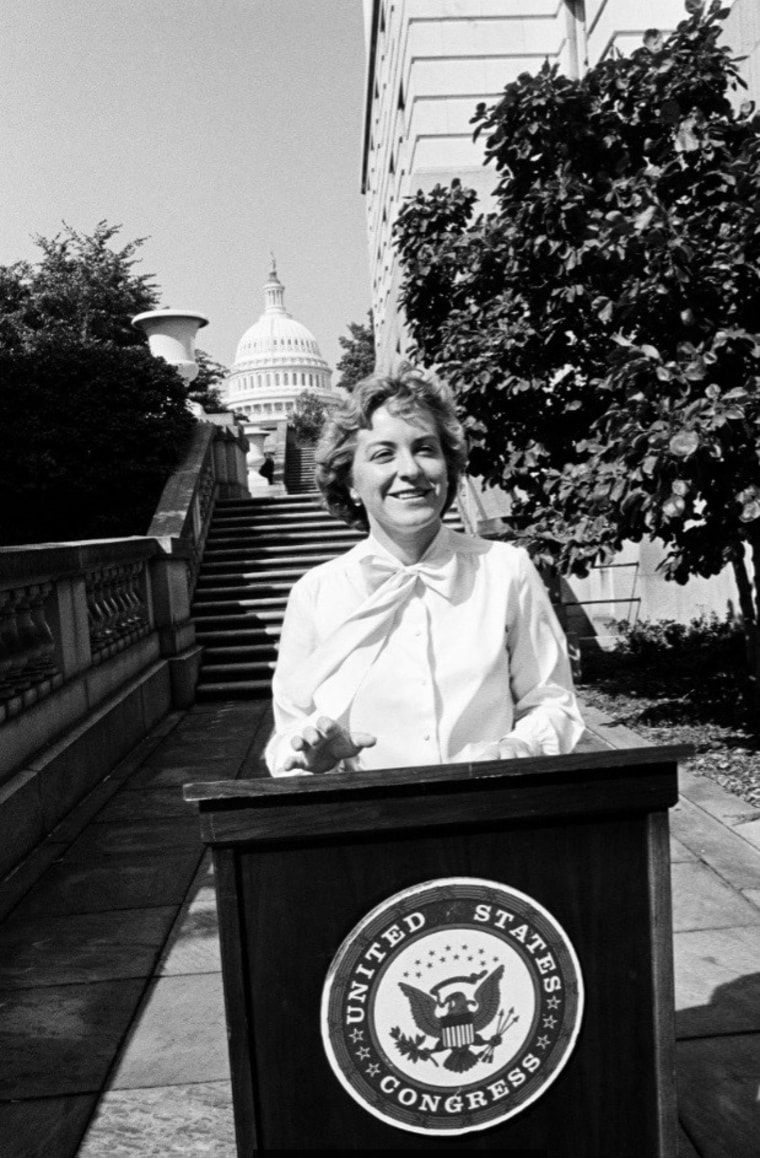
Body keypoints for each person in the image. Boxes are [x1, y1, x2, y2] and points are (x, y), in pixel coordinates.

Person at [265, 367, 584, 776]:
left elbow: (552, 699)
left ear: (447, 467)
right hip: (369, 825)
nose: (411, 470)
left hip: (493, 817)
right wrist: (313, 756)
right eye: (383, 454)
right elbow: (290, 729)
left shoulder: (506, 569)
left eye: (425, 449)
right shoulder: (315, 593)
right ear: (349, 483)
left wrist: (518, 746)